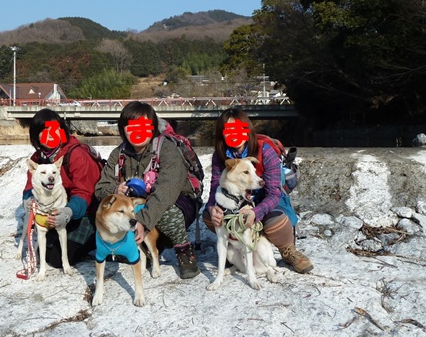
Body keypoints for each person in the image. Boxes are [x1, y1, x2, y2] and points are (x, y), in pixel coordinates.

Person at [94, 101, 201, 279]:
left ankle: (183, 249)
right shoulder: (118, 154)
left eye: (144, 126)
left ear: (153, 127)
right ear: (123, 129)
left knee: (167, 212)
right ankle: (142, 246)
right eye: (132, 127)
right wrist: (115, 189)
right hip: (139, 205)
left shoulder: (167, 150)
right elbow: (100, 189)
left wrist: (141, 221)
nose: (138, 131)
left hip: (177, 201)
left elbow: (165, 193)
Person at [202, 107, 313, 273]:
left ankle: (287, 250)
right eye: (229, 130)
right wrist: (212, 207)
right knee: (209, 216)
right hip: (237, 202)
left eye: (238, 129)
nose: (234, 134)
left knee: (274, 220)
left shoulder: (265, 151)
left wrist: (255, 212)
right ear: (221, 133)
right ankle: (236, 247)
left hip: (265, 199)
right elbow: (216, 185)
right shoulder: (219, 155)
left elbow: (274, 193)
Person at [21, 108, 101, 267]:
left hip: (85, 213)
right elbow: (31, 186)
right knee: (45, 250)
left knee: (56, 258)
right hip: (54, 213)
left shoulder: (76, 154)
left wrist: (69, 211)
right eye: (43, 131)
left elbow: (84, 191)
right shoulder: (37, 158)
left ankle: (96, 237)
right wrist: (28, 199)